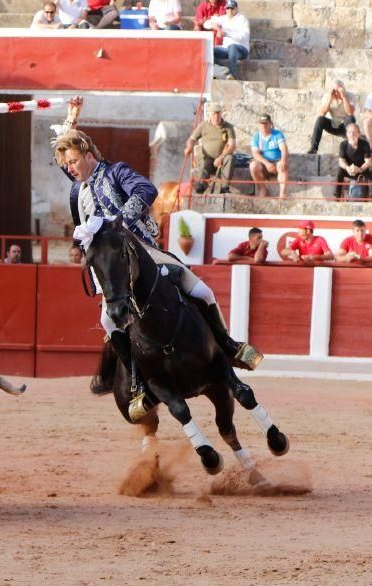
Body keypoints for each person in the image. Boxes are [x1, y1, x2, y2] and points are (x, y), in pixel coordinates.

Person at [55, 96, 261, 387]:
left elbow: (145, 189)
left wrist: (117, 223)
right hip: (110, 269)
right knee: (107, 321)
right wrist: (70, 119)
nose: (70, 168)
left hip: (143, 252)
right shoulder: (79, 190)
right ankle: (136, 379)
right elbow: (65, 157)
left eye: (74, 161)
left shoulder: (116, 172)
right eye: (68, 165)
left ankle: (228, 346)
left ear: (89, 155)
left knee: (202, 291)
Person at [184, 102, 235, 194]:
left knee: (230, 158)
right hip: (207, 158)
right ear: (210, 115)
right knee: (203, 165)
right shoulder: (203, 126)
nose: (216, 116)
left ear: (221, 114)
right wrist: (189, 147)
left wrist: (221, 157)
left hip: (222, 158)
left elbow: (232, 145)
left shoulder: (228, 127)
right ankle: (200, 188)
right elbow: (191, 139)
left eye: (218, 113)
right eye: (214, 114)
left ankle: (224, 188)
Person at [308, 80, 355, 154]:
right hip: (333, 125)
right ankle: (313, 148)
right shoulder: (327, 96)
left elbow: (350, 112)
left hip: (346, 126)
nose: (336, 93)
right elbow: (321, 113)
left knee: (351, 118)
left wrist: (344, 97)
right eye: (334, 91)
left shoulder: (350, 96)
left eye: (338, 90)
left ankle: (351, 148)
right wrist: (329, 98)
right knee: (320, 120)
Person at [249, 113, 288, 198]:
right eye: (261, 124)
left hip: (277, 162)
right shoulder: (256, 136)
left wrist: (283, 160)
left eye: (266, 123)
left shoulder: (278, 134)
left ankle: (282, 193)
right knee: (253, 166)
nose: (264, 126)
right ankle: (262, 189)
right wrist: (267, 163)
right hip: (264, 164)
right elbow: (255, 154)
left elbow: (284, 149)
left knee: (283, 165)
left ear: (270, 123)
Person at [206, 0, 248, 80]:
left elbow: (243, 37)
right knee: (209, 50)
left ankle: (233, 74)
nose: (230, 10)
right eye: (228, 8)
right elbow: (206, 23)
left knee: (232, 46)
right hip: (226, 49)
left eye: (232, 8)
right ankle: (223, 71)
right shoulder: (223, 18)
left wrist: (227, 34)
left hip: (242, 49)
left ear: (236, 9)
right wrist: (216, 27)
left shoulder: (242, 20)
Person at [336, 122, 372, 200]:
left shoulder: (364, 144)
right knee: (339, 171)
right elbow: (341, 161)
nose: (352, 134)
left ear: (359, 134)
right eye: (349, 132)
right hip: (349, 170)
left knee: (371, 170)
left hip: (361, 170)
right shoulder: (343, 144)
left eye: (354, 132)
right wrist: (347, 168)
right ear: (347, 134)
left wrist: (359, 169)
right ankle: (337, 196)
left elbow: (368, 161)